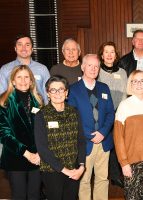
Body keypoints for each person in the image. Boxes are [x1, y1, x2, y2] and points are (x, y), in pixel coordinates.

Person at [68, 54, 115, 200]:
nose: (93, 69)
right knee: (84, 179)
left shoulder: (104, 88)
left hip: (104, 141)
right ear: (82, 67)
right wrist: (90, 135)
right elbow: (72, 118)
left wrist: (102, 132)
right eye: (90, 65)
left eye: (96, 66)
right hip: (84, 142)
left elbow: (110, 113)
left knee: (102, 178)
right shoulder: (73, 90)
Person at [34, 75, 86, 200]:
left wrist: (82, 166)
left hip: (74, 169)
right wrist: (64, 170)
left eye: (61, 89)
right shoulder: (41, 115)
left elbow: (81, 141)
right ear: (48, 93)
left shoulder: (74, 112)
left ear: (66, 92)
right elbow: (42, 149)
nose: (57, 93)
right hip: (52, 170)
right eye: (53, 90)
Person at [114, 70, 143, 199]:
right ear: (131, 84)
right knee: (132, 197)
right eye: (135, 81)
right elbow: (118, 137)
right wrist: (124, 163)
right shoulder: (124, 105)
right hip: (131, 161)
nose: (139, 84)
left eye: (142, 81)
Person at [0, 65, 43, 200]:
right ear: (13, 80)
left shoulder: (38, 100)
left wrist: (40, 153)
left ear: (31, 81)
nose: (23, 80)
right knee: (19, 195)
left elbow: (43, 131)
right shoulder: (4, 101)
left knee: (35, 195)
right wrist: (27, 153)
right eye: (19, 77)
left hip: (37, 157)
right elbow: (4, 134)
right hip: (16, 157)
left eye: (26, 77)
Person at [97, 41, 127, 188]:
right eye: (106, 52)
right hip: (101, 114)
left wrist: (120, 113)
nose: (109, 55)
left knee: (117, 145)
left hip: (119, 113)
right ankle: (102, 175)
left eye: (112, 52)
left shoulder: (122, 72)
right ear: (102, 55)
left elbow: (125, 95)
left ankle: (115, 176)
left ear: (116, 55)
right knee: (104, 144)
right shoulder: (97, 71)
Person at [0, 34, 50, 103]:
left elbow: (47, 94)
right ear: (15, 48)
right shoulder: (5, 69)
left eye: (27, 45)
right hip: (12, 111)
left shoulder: (42, 69)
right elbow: (1, 95)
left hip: (39, 110)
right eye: (20, 45)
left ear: (32, 49)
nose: (24, 48)